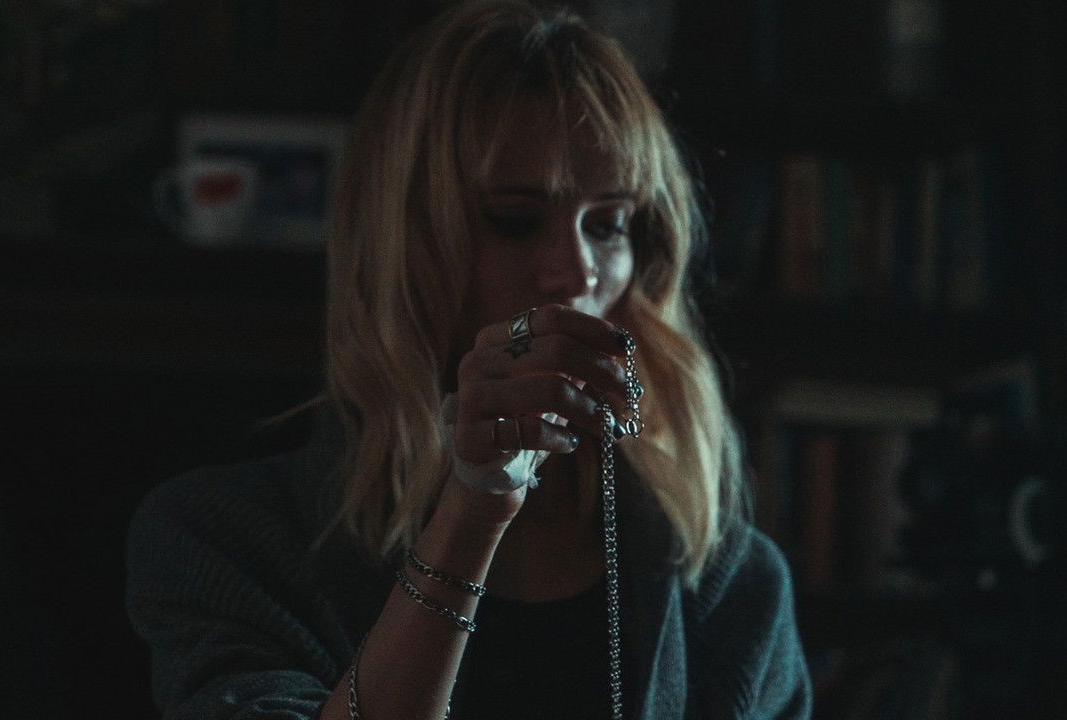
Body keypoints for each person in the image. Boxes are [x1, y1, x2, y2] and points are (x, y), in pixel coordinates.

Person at [126, 1, 812, 718]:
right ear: (403, 245)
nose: (576, 272)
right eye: (515, 221)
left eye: (609, 224)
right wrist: (472, 512)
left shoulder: (729, 585)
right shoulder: (229, 542)